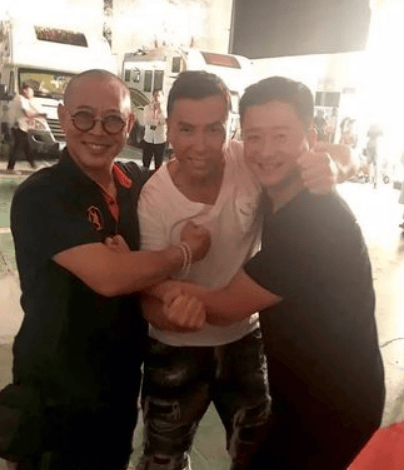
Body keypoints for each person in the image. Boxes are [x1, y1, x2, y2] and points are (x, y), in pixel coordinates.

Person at [158, 76, 385, 470]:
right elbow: (338, 152)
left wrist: (146, 278)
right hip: (301, 391)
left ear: (308, 139)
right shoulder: (280, 187)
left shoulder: (312, 223)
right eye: (254, 137)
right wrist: (342, 161)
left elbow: (226, 306)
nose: (265, 151)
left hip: (334, 407)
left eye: (281, 136)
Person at [8, 69, 210, 470]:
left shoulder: (136, 184)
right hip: (55, 395)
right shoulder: (43, 195)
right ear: (63, 117)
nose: (97, 131)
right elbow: (110, 277)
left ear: (129, 125)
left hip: (119, 386)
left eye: (112, 119)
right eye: (84, 116)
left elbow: (197, 174)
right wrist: (184, 252)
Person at [7, 83, 47, 171]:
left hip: (17, 126)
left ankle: (30, 164)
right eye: (30, 92)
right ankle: (29, 164)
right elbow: (27, 114)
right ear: (25, 91)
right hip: (19, 126)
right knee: (20, 147)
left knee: (24, 146)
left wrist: (31, 123)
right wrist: (40, 115)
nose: (32, 95)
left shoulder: (18, 99)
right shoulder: (21, 99)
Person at [142, 89, 166, 170]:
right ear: (152, 96)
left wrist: (160, 110)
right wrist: (157, 122)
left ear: (162, 97)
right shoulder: (147, 107)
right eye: (155, 95)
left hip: (160, 140)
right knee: (145, 163)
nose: (156, 97)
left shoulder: (164, 109)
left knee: (158, 164)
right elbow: (147, 121)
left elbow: (164, 121)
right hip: (148, 139)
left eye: (158, 95)